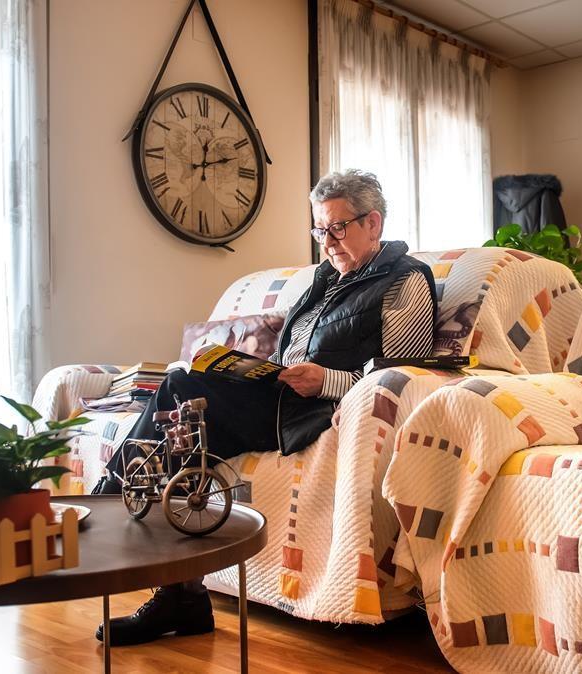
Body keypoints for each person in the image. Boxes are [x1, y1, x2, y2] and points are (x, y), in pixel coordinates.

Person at [95, 169, 437, 646]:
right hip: (276, 395)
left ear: (374, 223)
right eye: (320, 230)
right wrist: (254, 370)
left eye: (337, 227)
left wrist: (326, 381)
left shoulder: (406, 282)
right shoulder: (323, 278)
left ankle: (107, 502)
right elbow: (289, 355)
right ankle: (182, 595)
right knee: (185, 426)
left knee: (179, 388)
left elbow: (405, 376)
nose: (327, 241)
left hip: (306, 410)